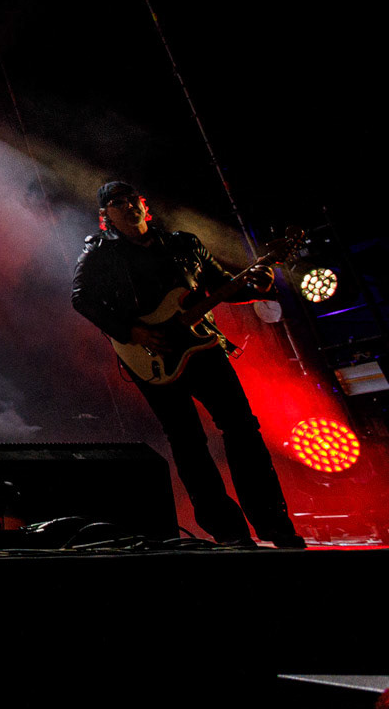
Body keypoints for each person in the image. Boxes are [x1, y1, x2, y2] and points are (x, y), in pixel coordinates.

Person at [71, 181, 303, 548]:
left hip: (203, 346)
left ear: (143, 205)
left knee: (243, 429)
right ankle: (228, 530)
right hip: (152, 355)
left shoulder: (183, 244)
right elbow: (81, 299)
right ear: (106, 216)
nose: (129, 206)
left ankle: (274, 524)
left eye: (133, 199)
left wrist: (259, 284)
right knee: (188, 441)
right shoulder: (100, 254)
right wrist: (132, 331)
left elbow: (222, 286)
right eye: (118, 203)